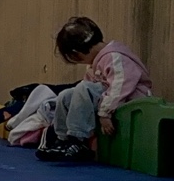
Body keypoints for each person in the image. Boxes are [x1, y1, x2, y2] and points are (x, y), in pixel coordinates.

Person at [39, 16, 153, 164]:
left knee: (83, 88)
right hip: (109, 100)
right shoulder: (95, 63)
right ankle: (63, 139)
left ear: (76, 54)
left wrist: (105, 112)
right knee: (66, 95)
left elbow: (120, 86)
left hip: (132, 100)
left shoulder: (115, 57)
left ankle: (77, 140)